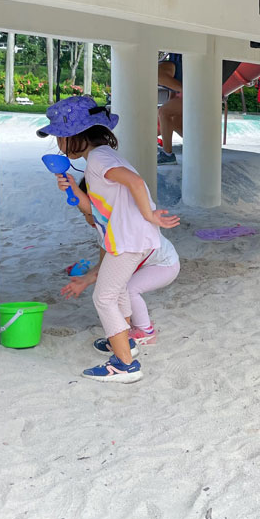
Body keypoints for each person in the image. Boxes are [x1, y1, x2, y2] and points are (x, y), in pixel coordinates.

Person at [38, 95, 179, 383]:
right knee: (116, 292)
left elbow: (136, 182)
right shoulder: (99, 159)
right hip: (131, 238)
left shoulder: (100, 158)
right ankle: (125, 343)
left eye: (60, 138)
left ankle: (125, 365)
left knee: (103, 298)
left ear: (74, 136)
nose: (60, 146)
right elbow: (95, 209)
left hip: (130, 239)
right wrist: (73, 190)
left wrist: (150, 215)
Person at [62, 180, 180, 347]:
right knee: (119, 288)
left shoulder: (124, 225)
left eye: (90, 213)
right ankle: (129, 328)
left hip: (165, 265)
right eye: (84, 215)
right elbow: (106, 265)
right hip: (152, 264)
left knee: (130, 289)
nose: (89, 220)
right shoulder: (104, 230)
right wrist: (85, 280)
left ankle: (146, 332)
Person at [157, 53, 183, 165]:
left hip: (194, 92)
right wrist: (171, 100)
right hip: (186, 92)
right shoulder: (174, 60)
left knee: (163, 112)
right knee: (175, 122)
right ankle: (199, 144)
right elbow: (173, 85)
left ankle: (168, 154)